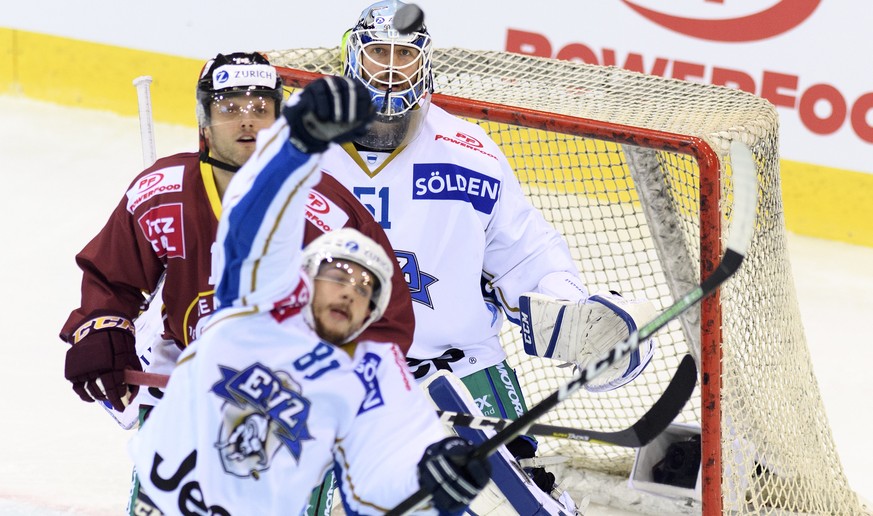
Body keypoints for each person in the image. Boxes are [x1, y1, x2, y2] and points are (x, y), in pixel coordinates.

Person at [316, 1, 658, 512]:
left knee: (515, 505)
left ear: (424, 64)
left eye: (404, 56)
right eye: (378, 54)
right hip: (328, 370)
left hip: (460, 375)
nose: (390, 70)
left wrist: (574, 313)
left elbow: (524, 254)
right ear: (353, 59)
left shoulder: (467, 151)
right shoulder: (298, 151)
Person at [129, 76, 490, 515]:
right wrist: (295, 144)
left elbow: (382, 466)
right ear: (307, 278)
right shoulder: (256, 305)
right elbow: (256, 221)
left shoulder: (372, 370)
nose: (350, 292)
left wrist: (427, 479)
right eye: (339, 275)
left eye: (365, 290)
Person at [60, 51, 414, 427]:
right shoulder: (161, 192)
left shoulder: (328, 213)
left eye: (260, 108)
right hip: (185, 378)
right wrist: (103, 327)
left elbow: (385, 315)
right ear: (204, 121)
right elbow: (112, 277)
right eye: (229, 108)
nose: (247, 120)